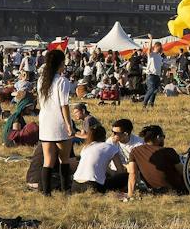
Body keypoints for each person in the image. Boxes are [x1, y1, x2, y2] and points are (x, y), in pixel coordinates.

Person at [36, 48, 75, 196]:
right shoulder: (62, 81)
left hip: (45, 121)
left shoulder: (41, 80)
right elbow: (64, 105)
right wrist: (69, 125)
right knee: (64, 159)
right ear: (61, 63)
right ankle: (66, 190)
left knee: (48, 160)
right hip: (59, 122)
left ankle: (46, 193)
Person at [127, 124, 190, 197]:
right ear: (158, 137)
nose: (164, 139)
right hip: (175, 188)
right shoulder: (168, 151)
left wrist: (130, 195)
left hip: (154, 190)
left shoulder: (135, 151)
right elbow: (183, 171)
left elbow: (132, 174)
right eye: (163, 136)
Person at [72, 123, 125, 193]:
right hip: (93, 185)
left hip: (75, 185)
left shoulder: (86, 147)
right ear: (104, 136)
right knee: (125, 176)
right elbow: (120, 170)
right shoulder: (110, 147)